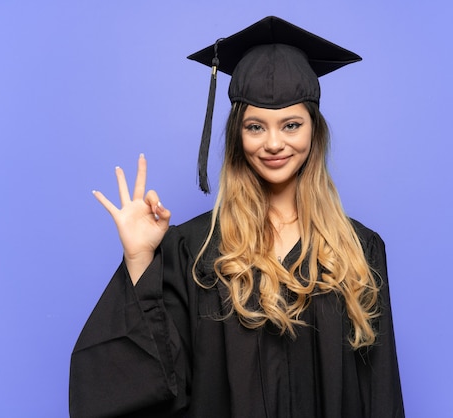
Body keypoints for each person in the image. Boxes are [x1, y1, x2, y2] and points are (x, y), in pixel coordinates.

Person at [70, 16, 404, 418]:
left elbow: (380, 392)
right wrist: (141, 260)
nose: (274, 143)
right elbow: (153, 383)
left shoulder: (359, 249)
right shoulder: (192, 250)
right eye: (255, 127)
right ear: (237, 136)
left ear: (314, 131)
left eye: (291, 125)